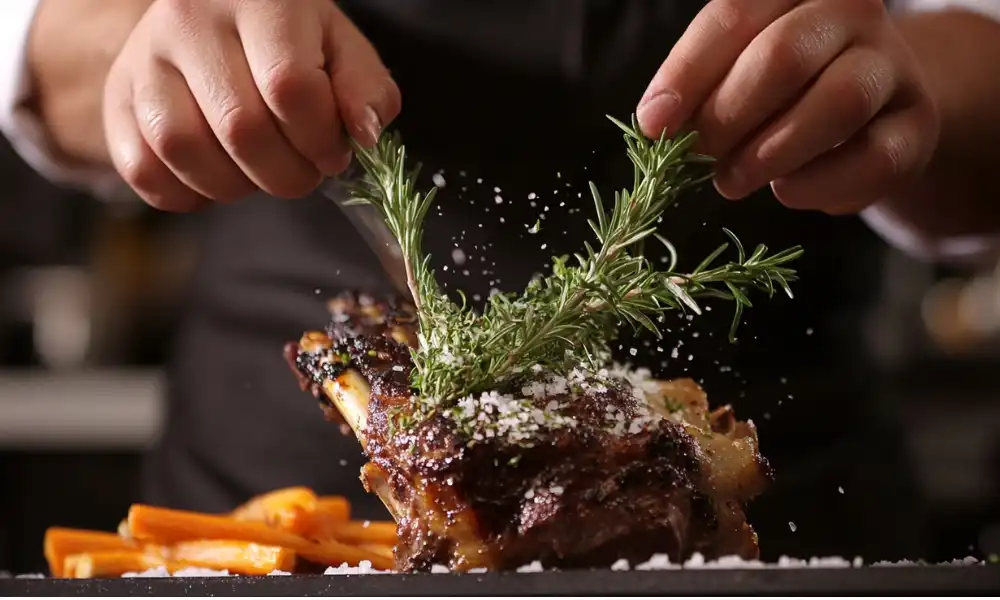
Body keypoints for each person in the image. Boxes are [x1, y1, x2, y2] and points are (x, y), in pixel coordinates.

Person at [2, 0, 999, 562]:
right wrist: (142, 47)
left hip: (789, 541)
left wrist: (901, 80)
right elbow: (29, 42)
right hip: (271, 526)